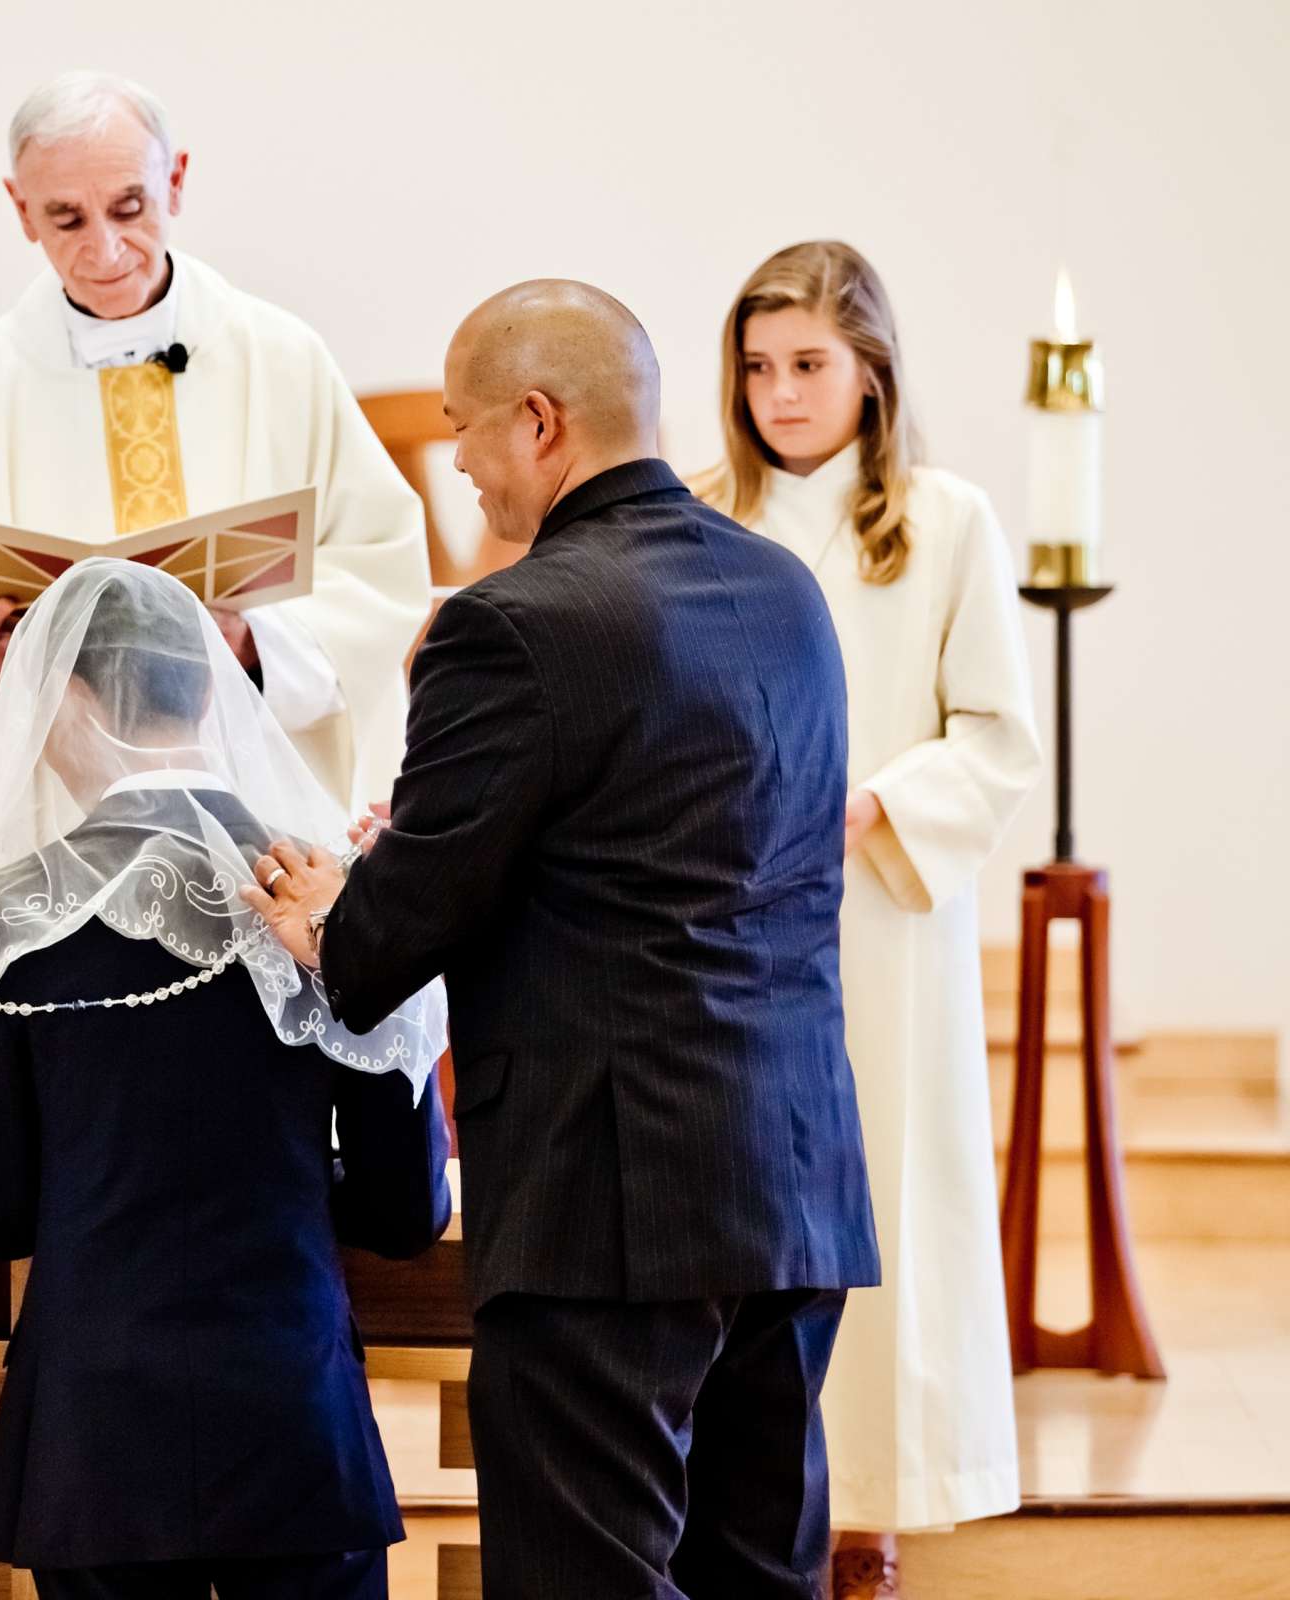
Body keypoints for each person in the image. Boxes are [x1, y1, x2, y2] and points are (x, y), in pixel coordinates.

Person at [245, 281, 880, 1600]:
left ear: (539, 422)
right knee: (763, 1576)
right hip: (791, 1177)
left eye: (468, 428)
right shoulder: (785, 593)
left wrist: (331, 908)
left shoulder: (510, 623)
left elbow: (381, 949)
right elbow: (668, 848)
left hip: (612, 1208)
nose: (462, 465)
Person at [0, 558, 450, 1600]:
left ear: (64, 701)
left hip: (94, 1429)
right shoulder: (322, 890)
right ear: (212, 688)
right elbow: (403, 1213)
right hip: (292, 1405)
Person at [694, 240, 1040, 1600]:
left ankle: (868, 1509)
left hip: (881, 912)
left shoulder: (944, 522)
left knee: (882, 1190)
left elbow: (998, 737)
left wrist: (872, 808)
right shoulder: (703, 516)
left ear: (871, 372)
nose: (781, 394)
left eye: (810, 365)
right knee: (744, 1207)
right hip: (720, 914)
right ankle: (740, 1492)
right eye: (759, 366)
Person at [0, 70, 430, 821]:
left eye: (128, 208)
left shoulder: (281, 359)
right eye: (66, 218)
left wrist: (252, 643)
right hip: (46, 814)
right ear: (21, 210)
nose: (104, 248)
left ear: (174, 183)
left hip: (248, 795)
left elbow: (380, 575)